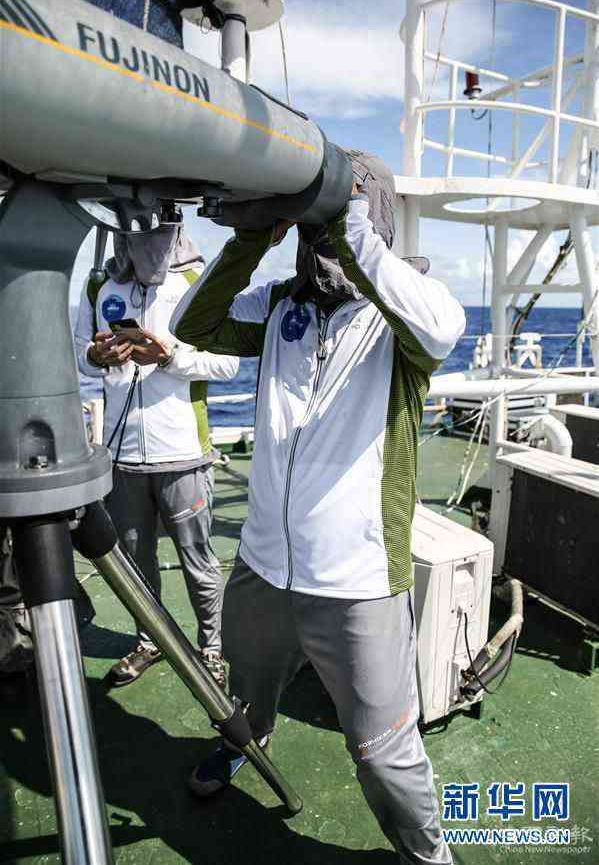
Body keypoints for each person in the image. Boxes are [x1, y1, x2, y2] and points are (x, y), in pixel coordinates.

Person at [170, 152, 465, 863]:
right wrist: (254, 235)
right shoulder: (281, 304)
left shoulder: (405, 315)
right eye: (317, 224)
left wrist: (347, 217)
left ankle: (427, 853)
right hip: (263, 565)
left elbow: (441, 330)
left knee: (382, 752)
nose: (323, 238)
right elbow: (193, 324)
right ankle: (247, 743)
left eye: (339, 217)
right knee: (247, 690)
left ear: (373, 217)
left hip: (357, 583)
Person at [75, 214, 239, 688]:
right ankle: (150, 640)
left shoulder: (196, 281)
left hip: (183, 453)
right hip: (123, 456)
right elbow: (79, 352)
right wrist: (96, 356)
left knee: (198, 560)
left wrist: (168, 357)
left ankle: (212, 648)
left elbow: (229, 362)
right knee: (135, 561)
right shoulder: (102, 284)